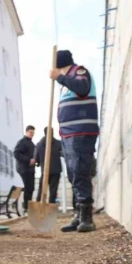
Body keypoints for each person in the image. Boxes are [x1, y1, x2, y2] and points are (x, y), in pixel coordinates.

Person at [50, 50, 98, 233]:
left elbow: (83, 88)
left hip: (81, 132)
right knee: (72, 174)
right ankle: (79, 214)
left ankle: (87, 217)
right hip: (68, 135)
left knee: (80, 171)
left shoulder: (79, 72)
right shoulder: (66, 82)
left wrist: (59, 78)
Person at [35, 127, 62, 203]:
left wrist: (38, 163)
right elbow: (64, 154)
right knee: (53, 190)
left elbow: (36, 159)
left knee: (42, 189)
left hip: (45, 170)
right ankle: (51, 205)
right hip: (55, 170)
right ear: (53, 132)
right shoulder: (58, 143)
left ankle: (39, 204)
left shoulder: (39, 144)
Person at [14, 125, 36, 214]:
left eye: (33, 133)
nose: (32, 134)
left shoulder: (32, 144)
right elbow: (16, 153)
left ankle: (29, 207)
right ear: (26, 132)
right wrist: (28, 160)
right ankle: (26, 208)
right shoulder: (22, 142)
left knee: (31, 188)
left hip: (31, 169)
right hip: (24, 169)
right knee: (27, 188)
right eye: (30, 132)